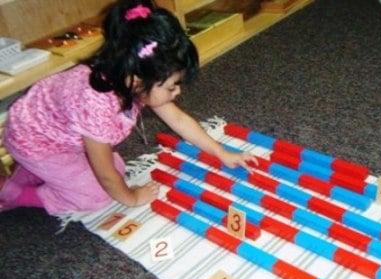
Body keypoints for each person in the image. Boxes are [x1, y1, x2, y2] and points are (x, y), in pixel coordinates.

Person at [0, 0, 255, 215]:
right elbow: (107, 177)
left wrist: (220, 153)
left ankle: (31, 173)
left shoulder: (130, 76)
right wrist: (131, 198)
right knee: (99, 196)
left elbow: (178, 120)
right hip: (34, 141)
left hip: (52, 129)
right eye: (172, 86)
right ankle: (17, 194)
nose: (177, 92)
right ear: (137, 78)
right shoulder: (96, 104)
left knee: (118, 169)